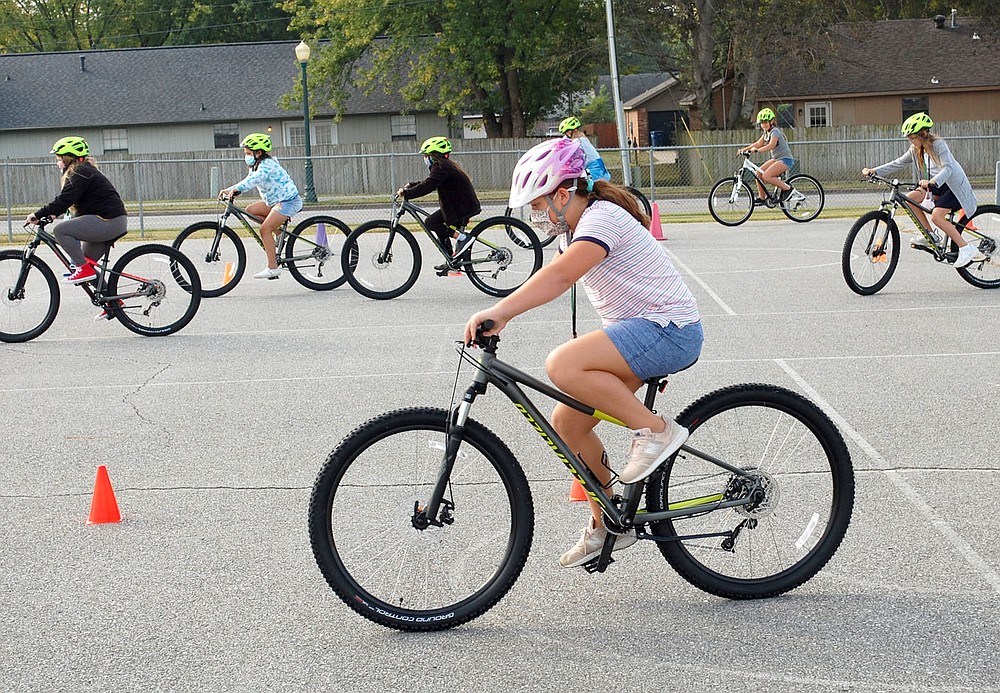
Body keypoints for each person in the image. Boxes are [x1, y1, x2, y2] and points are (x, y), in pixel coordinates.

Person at [463, 138, 704, 569]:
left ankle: (656, 431)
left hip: (670, 330)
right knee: (568, 424)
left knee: (562, 363)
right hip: (643, 334)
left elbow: (558, 278)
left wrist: (500, 312)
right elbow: (556, 275)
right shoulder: (575, 229)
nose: (536, 215)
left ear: (562, 194)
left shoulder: (602, 218)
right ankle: (609, 522)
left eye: (539, 204)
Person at [861, 112, 979, 268]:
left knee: (937, 217)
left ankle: (966, 248)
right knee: (910, 200)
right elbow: (898, 163)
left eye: (913, 137)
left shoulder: (938, 145)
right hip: (933, 187)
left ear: (923, 134)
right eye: (909, 138)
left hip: (952, 186)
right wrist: (874, 170)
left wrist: (932, 181)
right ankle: (931, 236)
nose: (911, 140)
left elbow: (948, 168)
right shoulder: (916, 149)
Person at [25, 136, 128, 285]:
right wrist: (53, 214)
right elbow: (71, 201)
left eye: (59, 159)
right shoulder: (83, 171)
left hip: (108, 221)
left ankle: (84, 269)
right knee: (85, 266)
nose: (57, 164)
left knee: (60, 230)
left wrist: (37, 214)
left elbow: (63, 200)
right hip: (110, 221)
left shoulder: (81, 172)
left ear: (68, 159)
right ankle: (114, 306)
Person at [219, 133, 303, 279]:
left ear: (259, 153)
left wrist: (237, 190)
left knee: (264, 229)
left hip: (288, 202)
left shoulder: (267, 166)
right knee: (250, 210)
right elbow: (248, 179)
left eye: (248, 153)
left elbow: (254, 180)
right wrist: (229, 189)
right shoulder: (255, 165)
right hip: (275, 202)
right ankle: (279, 234)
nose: (246, 156)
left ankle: (273, 268)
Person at [396, 136, 481, 276]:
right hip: (459, 206)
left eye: (425, 155)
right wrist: (411, 185)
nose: (424, 158)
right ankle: (452, 262)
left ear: (432, 156)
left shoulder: (441, 167)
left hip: (461, 207)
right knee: (435, 224)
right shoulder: (444, 166)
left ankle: (463, 238)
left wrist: (407, 193)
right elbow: (430, 182)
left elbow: (428, 186)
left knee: (431, 222)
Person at [737, 107, 794, 205]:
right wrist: (744, 149)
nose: (763, 125)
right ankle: (762, 198)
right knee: (758, 173)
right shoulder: (766, 133)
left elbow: (771, 145)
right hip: (776, 159)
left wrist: (757, 151)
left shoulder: (775, 131)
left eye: (765, 122)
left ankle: (788, 189)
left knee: (766, 176)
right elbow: (758, 143)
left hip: (785, 159)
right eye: (762, 123)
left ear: (771, 121)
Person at [558, 116, 611, 182]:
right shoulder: (582, 138)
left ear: (575, 130)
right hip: (598, 168)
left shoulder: (577, 141)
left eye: (567, 131)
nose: (566, 134)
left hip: (595, 170)